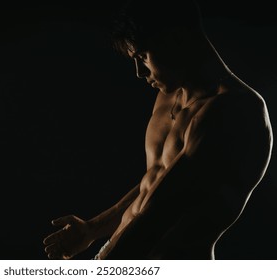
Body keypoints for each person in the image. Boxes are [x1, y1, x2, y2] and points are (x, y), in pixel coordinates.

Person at [43, 0, 273, 260]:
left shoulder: (233, 110)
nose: (140, 73)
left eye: (142, 56)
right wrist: (92, 230)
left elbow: (159, 215)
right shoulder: (169, 96)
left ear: (176, 39)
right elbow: (153, 186)